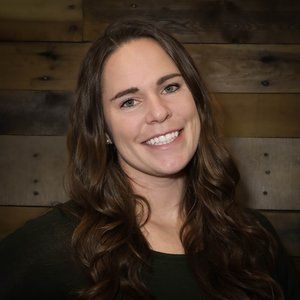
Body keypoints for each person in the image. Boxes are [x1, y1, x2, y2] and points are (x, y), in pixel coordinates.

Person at [0, 19, 299, 300]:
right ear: (103, 129)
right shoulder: (56, 246)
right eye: (129, 101)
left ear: (196, 98)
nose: (159, 112)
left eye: (170, 87)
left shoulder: (254, 237)